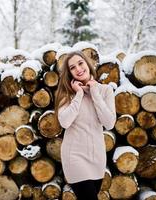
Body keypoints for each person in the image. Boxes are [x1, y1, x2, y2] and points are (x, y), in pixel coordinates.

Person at [54, 51, 116, 200]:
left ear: (88, 64)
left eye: (80, 63)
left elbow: (109, 123)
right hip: (74, 156)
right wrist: (79, 94)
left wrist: (94, 92)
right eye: (72, 67)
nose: (78, 69)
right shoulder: (66, 93)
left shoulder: (105, 90)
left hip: (97, 157)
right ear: (69, 73)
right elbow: (64, 122)